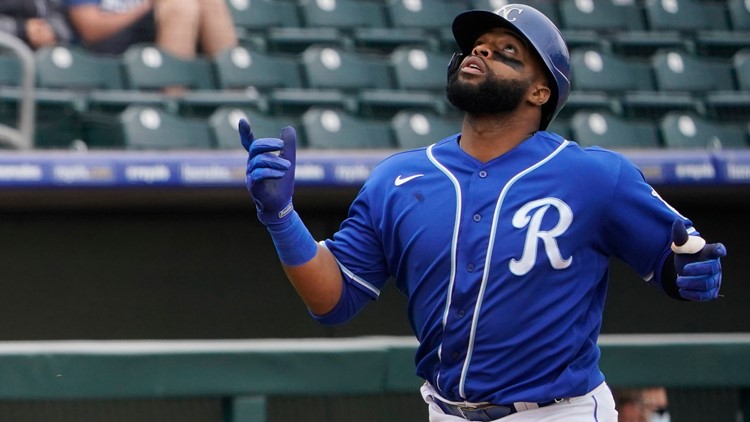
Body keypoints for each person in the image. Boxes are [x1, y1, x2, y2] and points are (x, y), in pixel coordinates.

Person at [239, 4, 726, 422]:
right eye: (477, 47)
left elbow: (677, 259)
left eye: (507, 52)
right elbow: (333, 299)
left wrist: (691, 273)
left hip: (559, 411)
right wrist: (281, 217)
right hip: (444, 409)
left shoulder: (594, 175)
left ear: (541, 92)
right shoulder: (397, 178)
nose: (481, 52)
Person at [63, 0, 237, 58]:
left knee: (210, 2)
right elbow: (90, 29)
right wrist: (145, 6)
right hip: (111, 45)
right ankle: (172, 102)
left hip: (150, 35)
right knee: (180, 7)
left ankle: (238, 96)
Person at [0, 0, 73, 49]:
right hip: (6, 52)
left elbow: (63, 22)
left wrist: (50, 31)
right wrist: (22, 29)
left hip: (43, 54)